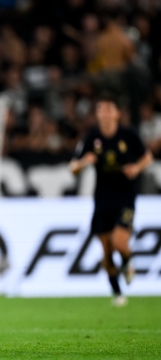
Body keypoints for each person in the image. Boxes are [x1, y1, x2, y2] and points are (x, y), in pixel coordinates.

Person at [70, 94, 152, 307]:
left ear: (116, 114)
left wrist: (136, 168)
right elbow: (73, 167)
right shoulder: (91, 137)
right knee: (106, 250)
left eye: (108, 109)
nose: (104, 113)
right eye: (101, 109)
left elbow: (147, 156)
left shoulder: (128, 135)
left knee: (119, 241)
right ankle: (117, 292)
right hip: (102, 198)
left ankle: (127, 261)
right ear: (97, 115)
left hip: (125, 196)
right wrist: (84, 163)